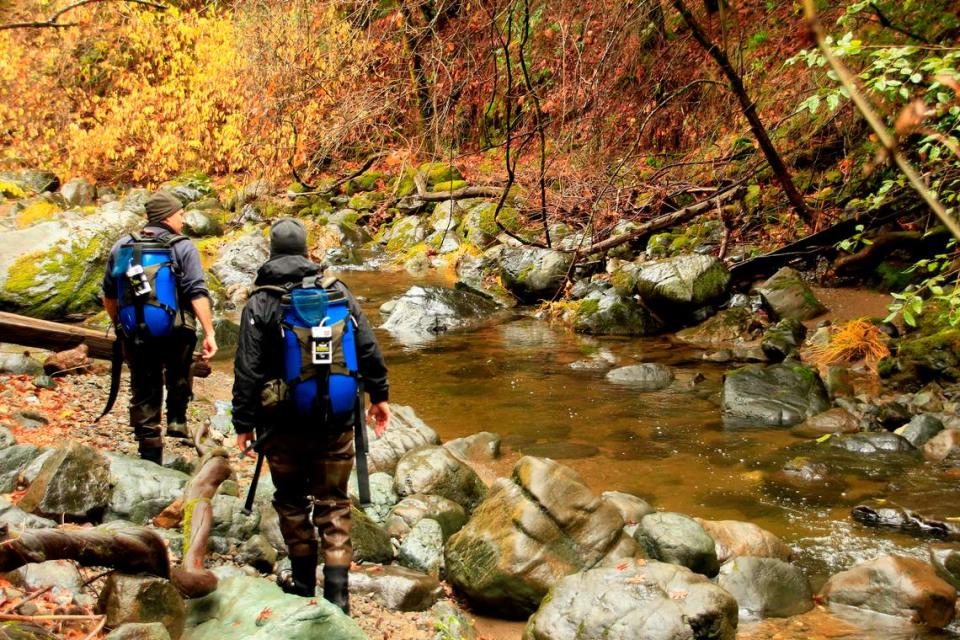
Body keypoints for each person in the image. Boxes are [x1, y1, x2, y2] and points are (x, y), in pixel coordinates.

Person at [232, 218, 390, 613]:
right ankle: (338, 598)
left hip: (281, 424)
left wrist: (243, 424)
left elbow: (247, 368)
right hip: (336, 422)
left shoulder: (262, 300)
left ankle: (303, 584)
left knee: (290, 501)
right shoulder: (338, 293)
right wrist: (379, 395)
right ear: (307, 252)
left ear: (271, 253)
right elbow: (368, 347)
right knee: (334, 503)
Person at [102, 191, 218, 464]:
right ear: (167, 216)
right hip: (175, 334)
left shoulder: (122, 246)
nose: (183, 218)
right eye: (180, 214)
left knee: (144, 384)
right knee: (180, 366)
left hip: (136, 332)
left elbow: (109, 293)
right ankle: (177, 417)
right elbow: (196, 292)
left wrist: (120, 324)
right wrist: (210, 332)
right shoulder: (183, 246)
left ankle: (149, 448)